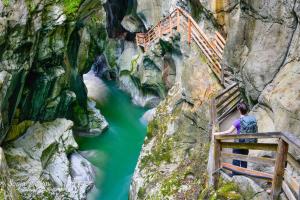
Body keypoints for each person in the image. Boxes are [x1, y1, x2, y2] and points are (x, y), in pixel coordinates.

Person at [213, 102, 258, 172]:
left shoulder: (238, 121)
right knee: (244, 159)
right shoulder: (251, 120)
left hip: (238, 143)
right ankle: (244, 173)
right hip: (247, 142)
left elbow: (228, 132)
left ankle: (235, 174)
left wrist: (217, 133)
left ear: (239, 111)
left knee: (236, 159)